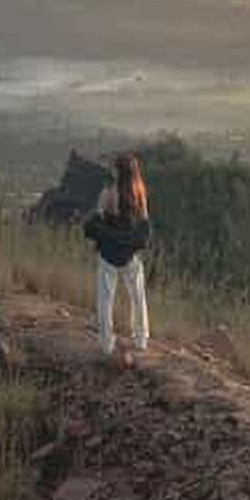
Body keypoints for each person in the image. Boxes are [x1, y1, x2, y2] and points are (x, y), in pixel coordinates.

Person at [84, 152, 150, 358]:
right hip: (130, 255)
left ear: (118, 171)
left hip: (109, 254)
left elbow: (96, 221)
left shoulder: (107, 194)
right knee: (138, 296)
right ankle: (141, 339)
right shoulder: (140, 192)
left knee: (105, 299)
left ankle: (106, 344)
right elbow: (145, 224)